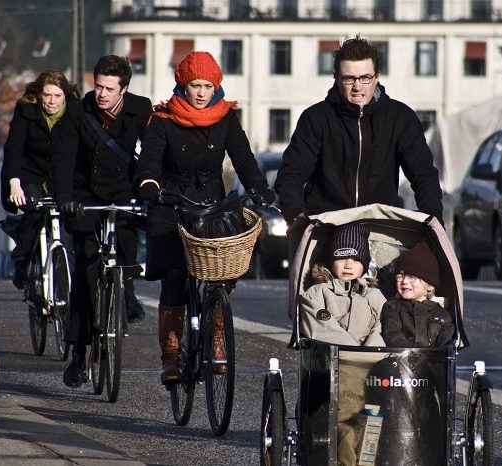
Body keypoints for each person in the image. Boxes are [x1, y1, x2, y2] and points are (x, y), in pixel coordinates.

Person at [135, 51, 275, 385]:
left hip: (210, 205)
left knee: (221, 276)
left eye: (207, 86)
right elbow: (149, 162)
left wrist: (259, 188)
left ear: (216, 87)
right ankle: (171, 353)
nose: (201, 93)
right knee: (174, 275)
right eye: (195, 85)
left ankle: (217, 337)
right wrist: (149, 184)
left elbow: (244, 158)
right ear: (183, 85)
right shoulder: (163, 119)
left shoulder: (226, 118)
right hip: (170, 203)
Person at [273, 34, 444, 233]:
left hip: (380, 230)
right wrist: (298, 220)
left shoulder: (400, 118)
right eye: (349, 78)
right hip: (325, 230)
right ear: (336, 78)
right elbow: (291, 174)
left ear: (376, 77)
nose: (357, 86)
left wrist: (433, 223)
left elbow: (423, 174)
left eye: (365, 78)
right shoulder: (315, 118)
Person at [53, 55, 152, 388]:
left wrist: (150, 185)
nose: (102, 94)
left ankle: (128, 292)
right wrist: (64, 196)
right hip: (85, 195)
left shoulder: (140, 109)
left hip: (122, 189)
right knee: (85, 272)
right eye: (98, 86)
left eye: (110, 89)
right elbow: (64, 157)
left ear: (124, 89)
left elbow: (151, 152)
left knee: (126, 236)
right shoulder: (78, 112)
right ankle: (79, 355)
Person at [0, 70, 80, 289]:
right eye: (47, 95)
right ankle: (22, 261)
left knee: (68, 221)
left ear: (66, 96)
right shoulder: (27, 111)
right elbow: (14, 148)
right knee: (35, 212)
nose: (52, 101)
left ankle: (68, 278)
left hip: (61, 177)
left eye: (57, 96)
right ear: (39, 95)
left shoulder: (75, 112)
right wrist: (14, 183)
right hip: (29, 174)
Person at [299, 223, 386, 347]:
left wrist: (370, 352)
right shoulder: (317, 294)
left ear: (365, 265)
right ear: (331, 262)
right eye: (342, 258)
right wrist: (353, 354)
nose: (348, 265)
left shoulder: (375, 296)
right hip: (332, 356)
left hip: (370, 356)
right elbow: (322, 329)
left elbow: (380, 329)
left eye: (356, 260)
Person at [380, 241, 454, 348]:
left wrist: (434, 356)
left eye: (411, 277)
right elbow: (392, 335)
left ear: (429, 285)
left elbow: (445, 343)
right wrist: (408, 356)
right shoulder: (393, 308)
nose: (404, 281)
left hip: (432, 358)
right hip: (400, 357)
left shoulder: (442, 315)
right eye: (400, 277)